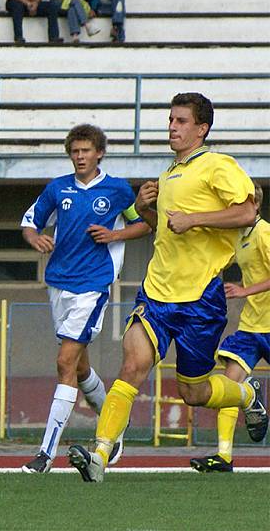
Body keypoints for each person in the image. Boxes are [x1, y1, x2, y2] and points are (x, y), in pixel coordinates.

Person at [68, 93, 268, 483]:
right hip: (157, 293)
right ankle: (100, 455)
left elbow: (247, 212)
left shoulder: (218, 165)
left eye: (180, 121)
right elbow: (162, 226)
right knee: (131, 367)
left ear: (201, 128)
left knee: (192, 393)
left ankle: (247, 395)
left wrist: (193, 220)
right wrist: (145, 208)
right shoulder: (168, 174)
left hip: (201, 299)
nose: (172, 127)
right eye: (170, 120)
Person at [20, 124, 150, 473]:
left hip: (93, 286)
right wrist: (34, 239)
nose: (80, 157)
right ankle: (115, 425)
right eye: (75, 151)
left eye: (86, 151)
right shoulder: (57, 188)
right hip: (58, 283)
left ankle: (45, 454)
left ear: (99, 153)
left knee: (64, 362)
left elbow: (145, 225)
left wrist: (114, 234)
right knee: (78, 367)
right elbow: (30, 222)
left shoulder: (118, 190)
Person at [191, 183, 269, 472]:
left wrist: (244, 291)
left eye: (242, 205)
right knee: (229, 384)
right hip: (251, 326)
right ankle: (224, 456)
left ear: (256, 206)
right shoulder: (239, 237)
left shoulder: (264, 233)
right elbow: (216, 259)